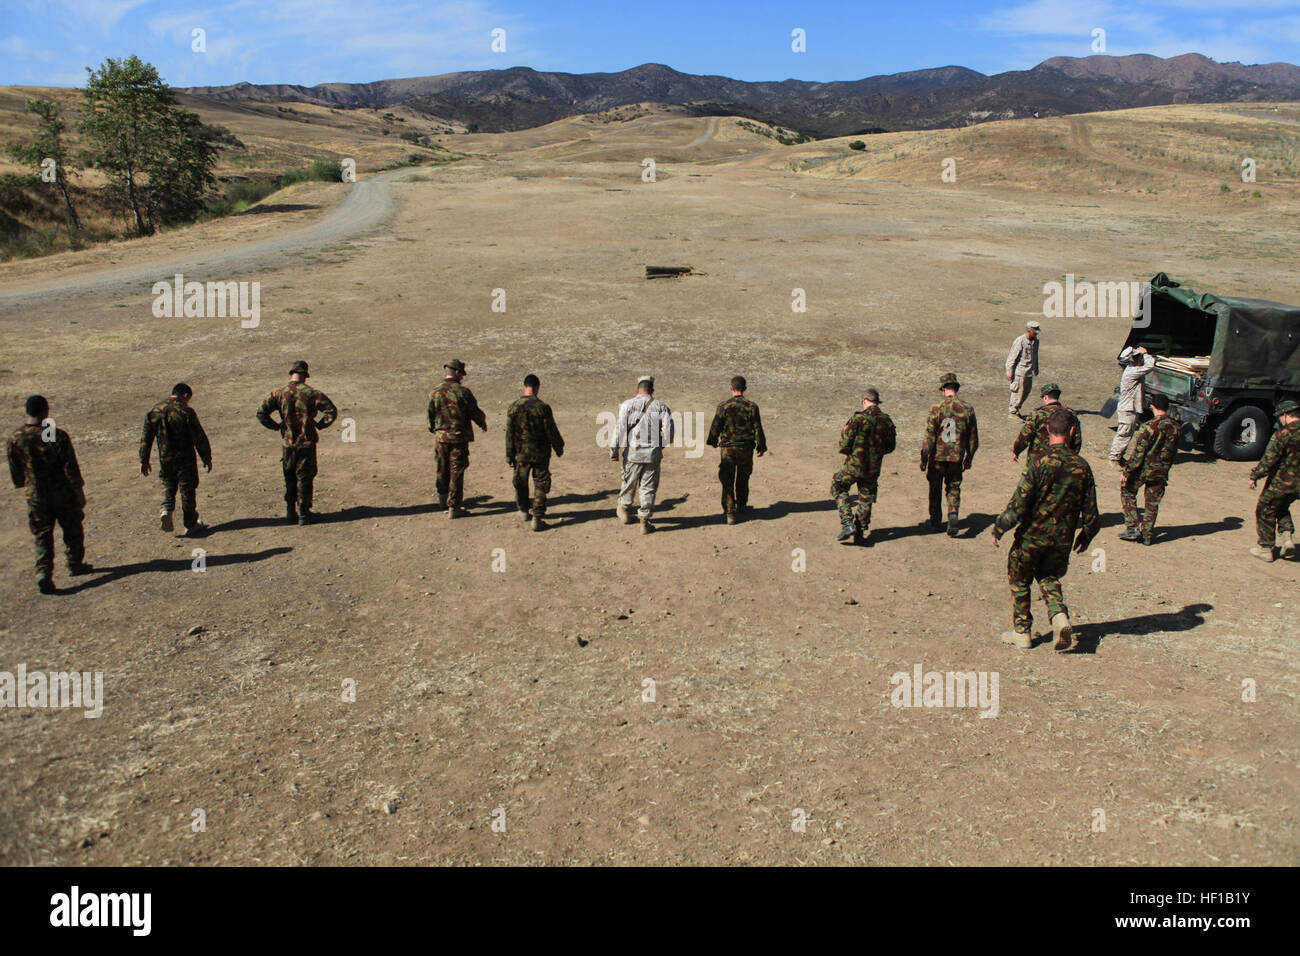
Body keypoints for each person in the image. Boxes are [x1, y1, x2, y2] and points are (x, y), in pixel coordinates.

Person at [991, 408, 1099, 652]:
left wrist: (1000, 527)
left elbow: (1019, 503)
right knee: (1049, 576)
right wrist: (1087, 535)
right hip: (1061, 540)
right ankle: (1059, 616)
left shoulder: (1038, 461)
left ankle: (1022, 632)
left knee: (1019, 577)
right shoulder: (1082, 466)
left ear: (1048, 430)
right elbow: (1091, 511)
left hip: (1032, 536)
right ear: (1072, 432)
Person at [7, 395, 92, 593]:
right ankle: (75, 563)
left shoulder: (15, 438)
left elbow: (16, 472)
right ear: (46, 411)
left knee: (42, 534)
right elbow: (70, 466)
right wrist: (79, 491)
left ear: (27, 411)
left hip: (36, 495)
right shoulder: (56, 435)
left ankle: (44, 573)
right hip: (62, 493)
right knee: (72, 528)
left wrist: (25, 484)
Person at [256, 360, 338, 525]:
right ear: (305, 376)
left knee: (289, 476)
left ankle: (290, 511)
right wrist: (319, 425)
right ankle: (304, 513)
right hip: (306, 443)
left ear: (291, 374)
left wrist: (277, 427)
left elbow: (261, 413)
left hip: (288, 443)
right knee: (305, 477)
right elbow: (331, 411)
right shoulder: (312, 393)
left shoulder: (278, 394)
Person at [140, 382, 212, 537]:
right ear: (185, 395)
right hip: (185, 458)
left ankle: (166, 508)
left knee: (168, 483)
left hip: (165, 458)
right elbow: (198, 436)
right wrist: (206, 457)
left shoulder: (154, 411)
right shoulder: (186, 411)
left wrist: (144, 459)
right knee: (187, 489)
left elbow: (146, 438)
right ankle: (190, 524)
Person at [831, 387, 895, 545]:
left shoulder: (858, 419)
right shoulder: (886, 420)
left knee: (838, 486)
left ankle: (847, 523)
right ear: (877, 402)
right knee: (866, 497)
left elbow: (844, 443)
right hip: (873, 467)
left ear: (864, 401)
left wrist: (852, 453)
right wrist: (876, 454)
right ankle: (860, 531)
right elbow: (891, 446)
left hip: (854, 464)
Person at [610, 375, 674, 534]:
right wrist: (660, 447)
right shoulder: (661, 407)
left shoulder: (627, 405)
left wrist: (614, 450)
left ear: (638, 389)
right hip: (652, 455)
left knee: (628, 482)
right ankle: (644, 521)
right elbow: (668, 434)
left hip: (632, 453)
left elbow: (619, 430)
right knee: (648, 487)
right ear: (652, 390)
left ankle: (624, 510)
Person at [920, 372, 978, 536]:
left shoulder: (937, 409)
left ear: (944, 389)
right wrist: (969, 458)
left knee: (935, 489)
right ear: (956, 389)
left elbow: (929, 438)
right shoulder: (968, 409)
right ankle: (953, 513)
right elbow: (973, 439)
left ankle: (935, 521)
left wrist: (924, 458)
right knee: (953, 487)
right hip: (956, 457)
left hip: (937, 457)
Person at [427, 359, 487, 519]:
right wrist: (482, 422)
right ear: (458, 373)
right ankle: (454, 507)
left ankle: (442, 498)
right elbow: (474, 411)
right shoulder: (463, 392)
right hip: (459, 439)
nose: (463, 378)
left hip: (441, 438)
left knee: (441, 467)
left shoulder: (434, 392)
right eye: (462, 374)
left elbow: (430, 415)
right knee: (456, 471)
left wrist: (434, 429)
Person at [505, 374, 564, 532]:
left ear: (524, 386)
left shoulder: (514, 407)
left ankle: (524, 510)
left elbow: (509, 434)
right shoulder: (542, 407)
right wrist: (559, 447)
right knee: (541, 484)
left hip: (520, 454)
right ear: (537, 387)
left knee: (521, 482)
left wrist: (509, 455)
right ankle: (537, 518)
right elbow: (551, 430)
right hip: (540, 454)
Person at [706, 375, 767, 524]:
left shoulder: (723, 406)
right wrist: (761, 446)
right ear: (745, 389)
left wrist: (712, 441)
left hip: (728, 449)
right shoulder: (752, 407)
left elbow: (716, 426)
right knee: (743, 478)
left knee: (727, 480)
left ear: (731, 388)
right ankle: (742, 505)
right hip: (746, 449)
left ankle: (730, 512)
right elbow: (757, 428)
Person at [1119, 393, 1179, 545]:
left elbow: (1138, 454)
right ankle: (1147, 534)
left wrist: (1127, 472)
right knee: (1152, 502)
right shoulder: (1176, 428)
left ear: (1152, 406)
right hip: (1161, 471)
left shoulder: (1148, 427)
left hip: (1143, 469)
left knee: (1127, 491)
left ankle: (1132, 528)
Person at [1248, 399, 1299, 562]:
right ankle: (1287, 537)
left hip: (1281, 481)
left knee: (1265, 509)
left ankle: (1266, 548)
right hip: (1297, 485)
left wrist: (1255, 476)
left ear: (1284, 415)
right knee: (1281, 507)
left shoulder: (1284, 434)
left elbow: (1269, 459)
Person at [1108, 346, 1157, 464]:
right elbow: (1150, 366)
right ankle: (1114, 458)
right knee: (1124, 433)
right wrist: (1146, 354)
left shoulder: (1132, 368)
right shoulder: (1132, 371)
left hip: (1130, 407)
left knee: (1127, 433)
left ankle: (1118, 456)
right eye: (1139, 358)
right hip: (1127, 408)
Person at [1012, 383, 1081, 465]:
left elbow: (1025, 435)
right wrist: (1071, 457)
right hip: (1062, 461)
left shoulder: (1037, 414)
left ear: (1045, 397)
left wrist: (1016, 450)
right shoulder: (1070, 414)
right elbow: (1077, 440)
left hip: (1038, 461)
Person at [1005, 320, 1040, 419]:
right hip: (1020, 372)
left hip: (1029, 372)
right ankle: (1012, 412)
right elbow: (1012, 357)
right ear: (1029, 330)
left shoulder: (1035, 341)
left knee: (1026, 392)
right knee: (1018, 392)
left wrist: (1036, 368)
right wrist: (1009, 372)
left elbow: (1035, 356)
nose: (1036, 333)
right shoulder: (1020, 341)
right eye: (1035, 331)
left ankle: (1017, 410)